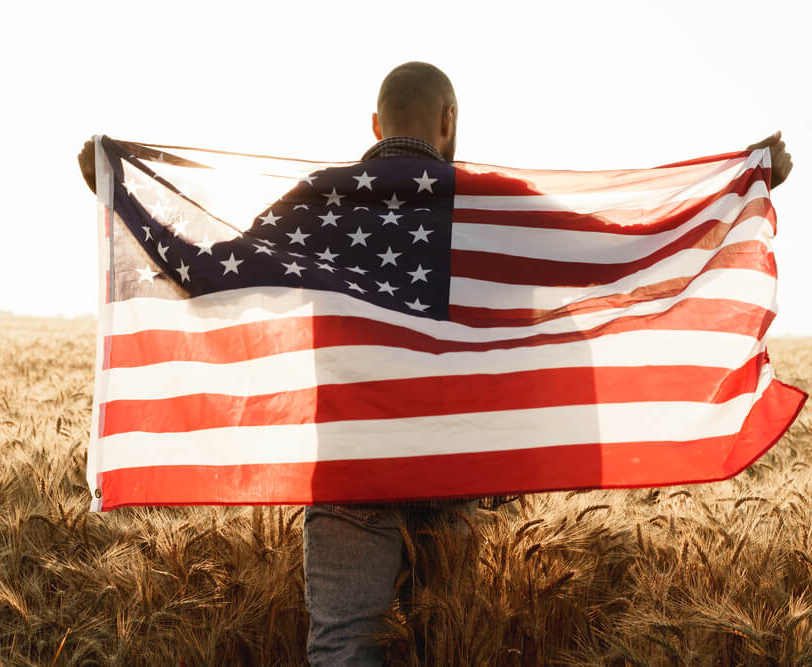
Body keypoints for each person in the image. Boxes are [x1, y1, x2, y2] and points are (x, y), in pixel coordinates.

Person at [77, 61, 793, 665]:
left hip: (350, 466)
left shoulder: (320, 202)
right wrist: (744, 188)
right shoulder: (494, 205)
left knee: (342, 643)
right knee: (443, 645)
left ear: (376, 126)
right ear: (447, 119)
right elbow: (618, 253)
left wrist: (118, 192)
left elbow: (207, 268)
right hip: (451, 467)